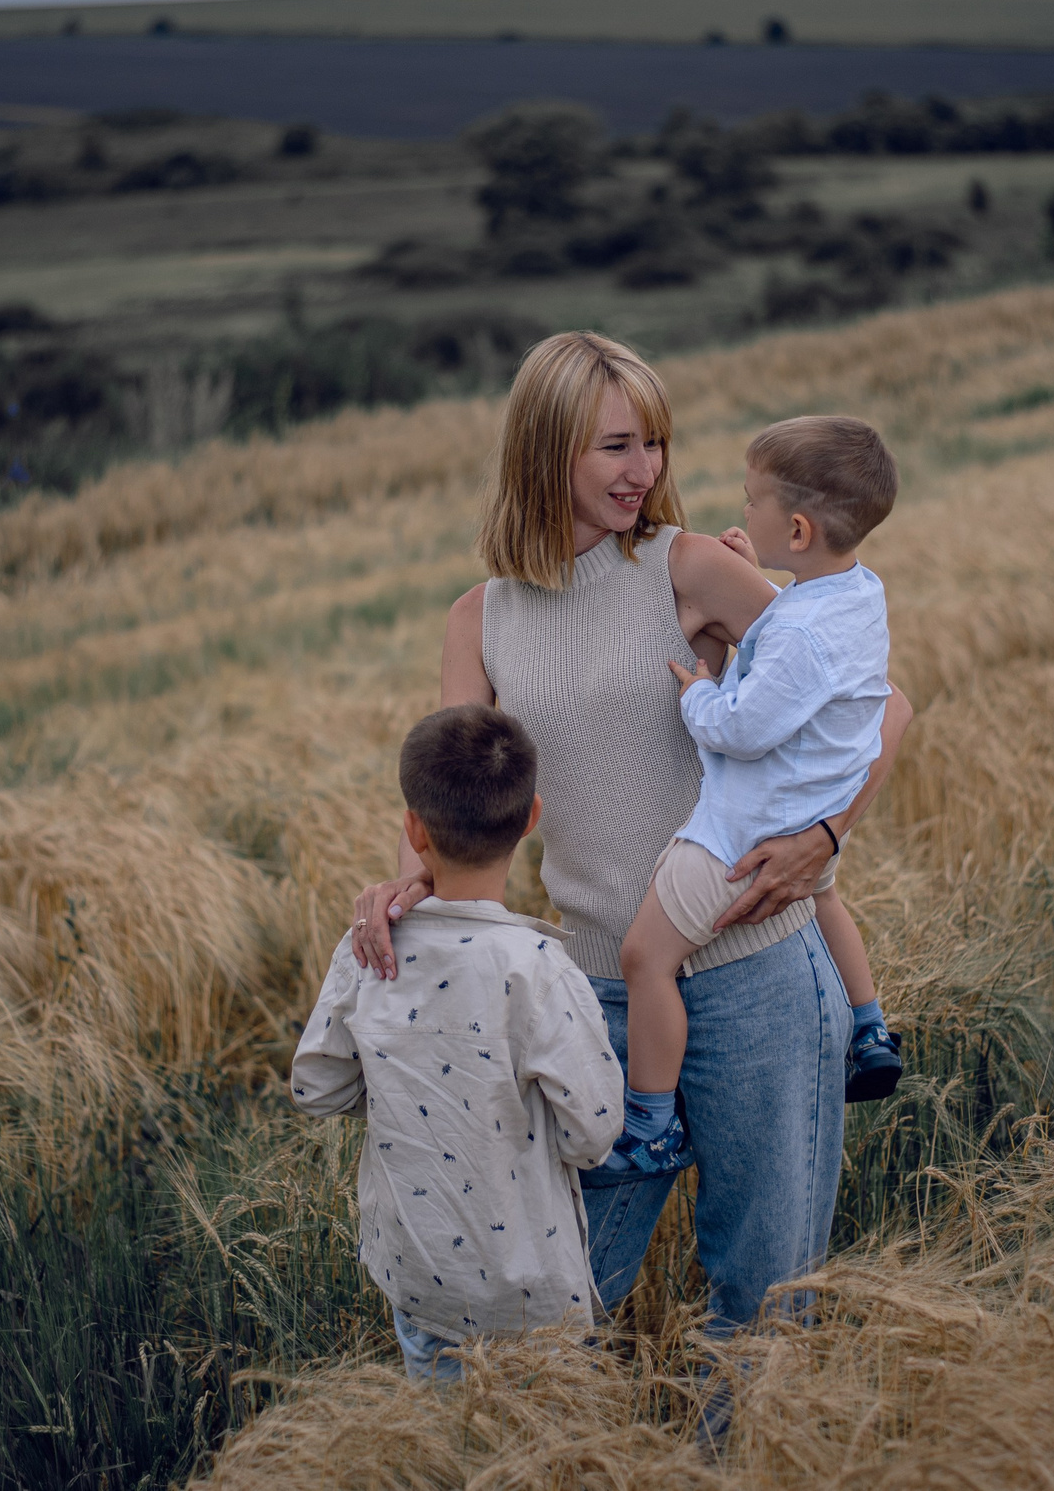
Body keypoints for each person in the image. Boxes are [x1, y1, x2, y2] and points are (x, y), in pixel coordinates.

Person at [350, 331, 913, 1341]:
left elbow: (881, 704)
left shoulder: (687, 569)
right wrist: (402, 888)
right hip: (598, 994)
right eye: (614, 445)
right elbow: (450, 802)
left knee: (764, 1298)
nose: (644, 469)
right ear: (544, 449)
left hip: (758, 980)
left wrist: (827, 834)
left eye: (652, 442)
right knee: (561, 1291)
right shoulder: (480, 620)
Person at [605, 416, 904, 1179]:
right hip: (814, 809)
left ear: (797, 528)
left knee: (645, 956)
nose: (742, 514)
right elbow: (804, 637)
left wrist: (700, 694)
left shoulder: (798, 633)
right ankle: (869, 1027)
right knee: (826, 899)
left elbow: (744, 727)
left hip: (750, 831)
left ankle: (650, 1123)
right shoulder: (855, 592)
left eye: (752, 503)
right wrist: (767, 580)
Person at [291, 704, 624, 1383]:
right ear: (532, 818)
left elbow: (317, 1087)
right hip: (531, 1291)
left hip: (420, 1279)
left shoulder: (368, 949)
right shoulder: (538, 967)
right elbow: (594, 1132)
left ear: (413, 829)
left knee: (446, 1449)